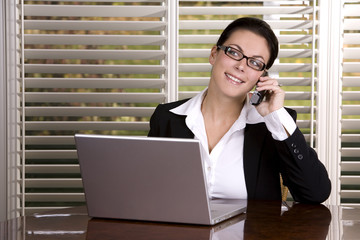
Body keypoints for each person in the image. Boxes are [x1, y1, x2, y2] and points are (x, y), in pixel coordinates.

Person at [148, 17, 331, 203]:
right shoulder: (167, 118)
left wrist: (275, 116)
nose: (241, 66)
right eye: (234, 52)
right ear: (214, 54)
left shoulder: (272, 125)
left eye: (255, 63)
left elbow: (315, 193)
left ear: (262, 76)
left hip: (250, 232)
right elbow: (147, 190)